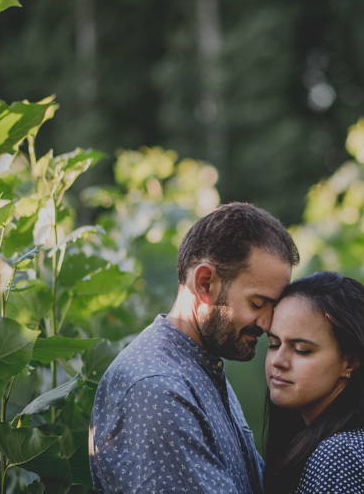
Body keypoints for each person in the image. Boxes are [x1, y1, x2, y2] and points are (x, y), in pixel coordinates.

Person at [89, 202, 299, 494]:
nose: (267, 323)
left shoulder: (200, 365)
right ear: (204, 283)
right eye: (257, 303)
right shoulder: (157, 389)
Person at [263, 271, 364, 494]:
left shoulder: (342, 455)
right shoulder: (351, 443)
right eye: (274, 344)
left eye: (302, 350)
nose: (278, 360)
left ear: (350, 362)